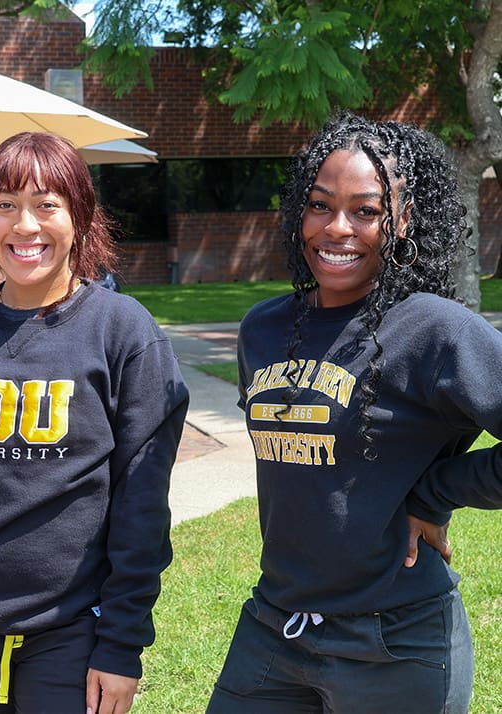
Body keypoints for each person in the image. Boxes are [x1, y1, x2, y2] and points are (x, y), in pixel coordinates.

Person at [206, 111, 502, 714]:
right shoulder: (264, 329)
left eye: (366, 211)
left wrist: (437, 491)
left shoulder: (432, 328)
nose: (336, 228)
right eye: (319, 206)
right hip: (274, 624)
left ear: (403, 221)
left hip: (393, 640)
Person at [0, 131, 189, 714]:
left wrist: (122, 644)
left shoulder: (124, 333)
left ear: (80, 217)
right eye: (5, 205)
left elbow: (141, 507)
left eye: (47, 204)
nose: (25, 226)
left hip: (68, 630)